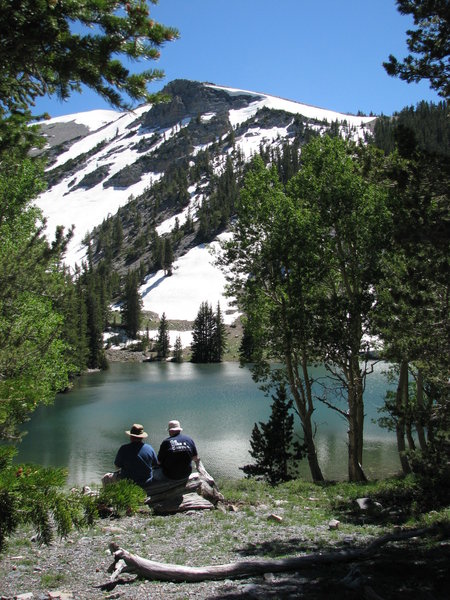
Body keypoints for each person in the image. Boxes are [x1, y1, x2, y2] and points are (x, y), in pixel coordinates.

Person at [102, 423, 158, 488]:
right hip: (146, 482)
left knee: (106, 477)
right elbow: (155, 464)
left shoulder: (124, 449)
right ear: (142, 437)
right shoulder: (150, 448)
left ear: (131, 436)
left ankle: (109, 496)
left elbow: (117, 466)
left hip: (128, 483)